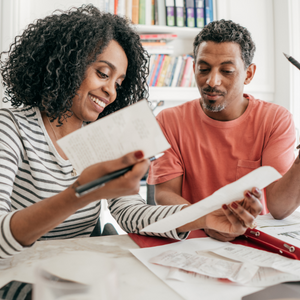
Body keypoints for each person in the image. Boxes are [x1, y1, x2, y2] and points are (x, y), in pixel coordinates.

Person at [0, 7, 260, 260]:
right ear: (67, 64)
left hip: (75, 271)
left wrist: (202, 216)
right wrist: (81, 193)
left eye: (118, 84)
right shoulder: (11, 128)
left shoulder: (103, 137)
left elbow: (129, 212)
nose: (111, 92)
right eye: (103, 74)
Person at [147, 19, 297, 241]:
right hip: (191, 239)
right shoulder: (169, 121)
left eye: (226, 71)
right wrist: (207, 220)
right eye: (203, 69)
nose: (211, 81)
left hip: (253, 241)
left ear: (248, 74)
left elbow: (279, 208)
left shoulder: (275, 119)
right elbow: (164, 194)